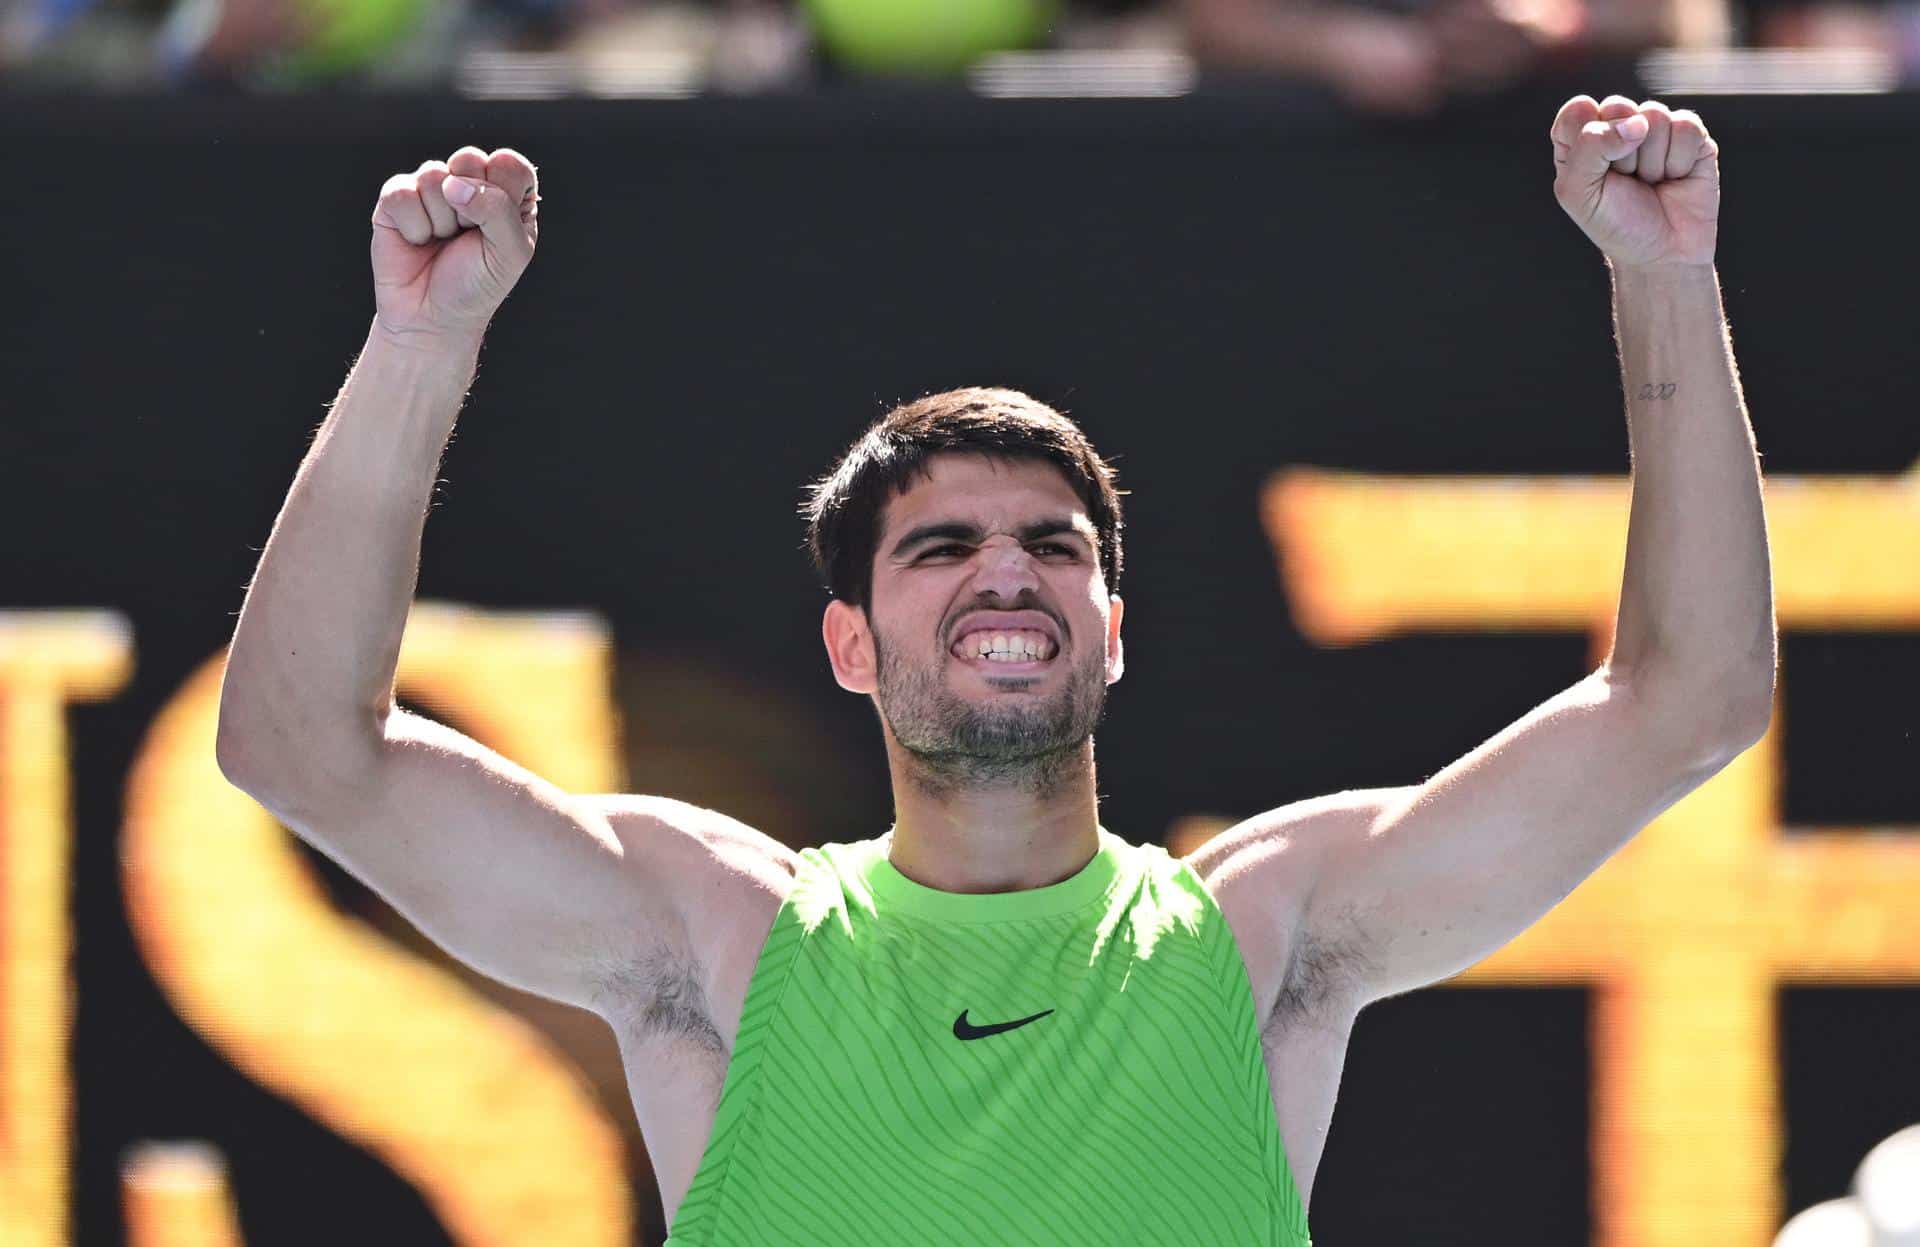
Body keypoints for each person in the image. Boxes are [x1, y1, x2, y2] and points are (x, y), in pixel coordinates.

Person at [216, 95, 1776, 1245]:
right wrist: (420, 348)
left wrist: (1666, 278)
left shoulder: (1262, 934)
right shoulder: (721, 941)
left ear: (1111, 627)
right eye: (937, 550)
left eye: (1051, 543)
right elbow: (300, 749)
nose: (1005, 569)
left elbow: (1685, 706)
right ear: (849, 642)